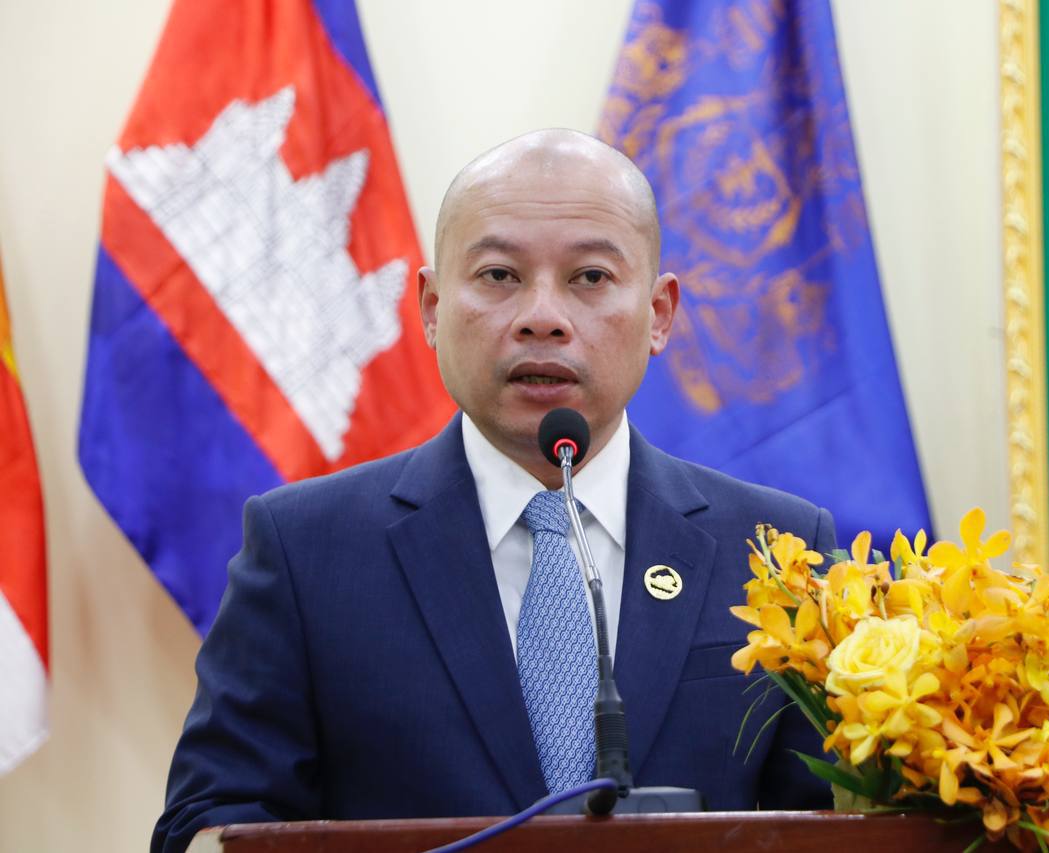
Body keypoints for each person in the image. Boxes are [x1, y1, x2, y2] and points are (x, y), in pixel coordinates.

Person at [153, 129, 835, 853]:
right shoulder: (305, 551)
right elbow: (210, 824)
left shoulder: (776, 553)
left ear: (659, 314)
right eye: (500, 275)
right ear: (431, 308)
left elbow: (839, 824)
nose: (543, 316)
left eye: (590, 277)